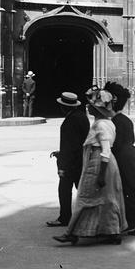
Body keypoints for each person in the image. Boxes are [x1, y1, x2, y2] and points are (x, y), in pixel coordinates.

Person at [53, 87, 127, 245]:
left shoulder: (101, 125)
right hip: (98, 161)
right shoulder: (104, 122)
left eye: (90, 105)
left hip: (99, 162)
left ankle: (73, 233)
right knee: (105, 199)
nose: (87, 107)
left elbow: (105, 150)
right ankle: (110, 232)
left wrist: (101, 174)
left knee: (85, 197)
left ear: (97, 108)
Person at [105, 82, 135, 236]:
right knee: (130, 191)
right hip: (131, 157)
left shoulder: (116, 122)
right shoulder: (124, 120)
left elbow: (116, 144)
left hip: (124, 160)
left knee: (130, 191)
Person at [47, 92, 90, 228]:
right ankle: (86, 217)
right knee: (82, 190)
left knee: (64, 190)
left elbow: (71, 145)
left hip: (71, 163)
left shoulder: (70, 121)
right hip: (81, 160)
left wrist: (62, 164)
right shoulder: (82, 117)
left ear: (64, 107)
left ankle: (65, 217)